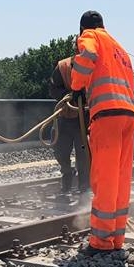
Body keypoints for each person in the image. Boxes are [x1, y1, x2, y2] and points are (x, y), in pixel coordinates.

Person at [69, 10, 134, 256]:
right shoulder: (120, 49)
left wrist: (76, 85)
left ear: (83, 28)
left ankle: (100, 241)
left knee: (105, 178)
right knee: (120, 179)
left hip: (107, 115)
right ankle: (116, 238)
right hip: (129, 116)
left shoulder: (91, 36)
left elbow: (87, 54)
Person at [48, 55, 90, 196]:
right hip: (64, 117)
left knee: (84, 154)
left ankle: (84, 186)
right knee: (59, 149)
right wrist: (69, 95)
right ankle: (67, 174)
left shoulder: (92, 67)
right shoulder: (62, 67)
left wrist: (84, 96)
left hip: (83, 118)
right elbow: (53, 88)